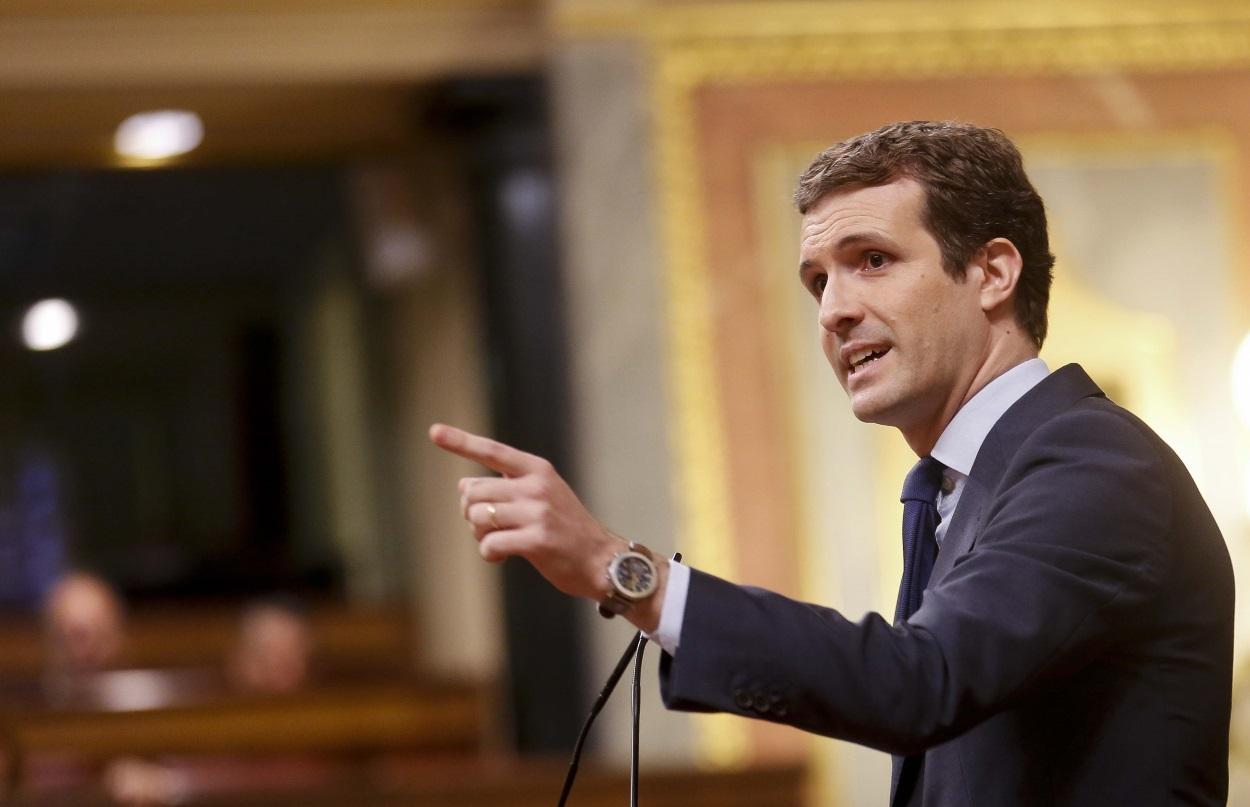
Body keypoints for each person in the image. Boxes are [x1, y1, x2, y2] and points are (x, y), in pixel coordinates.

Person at [429, 121, 1233, 805]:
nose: (834, 309)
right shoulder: (963, 487)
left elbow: (921, 681)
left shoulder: (1093, 460)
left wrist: (623, 570)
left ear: (992, 272)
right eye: (818, 279)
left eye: (872, 260)